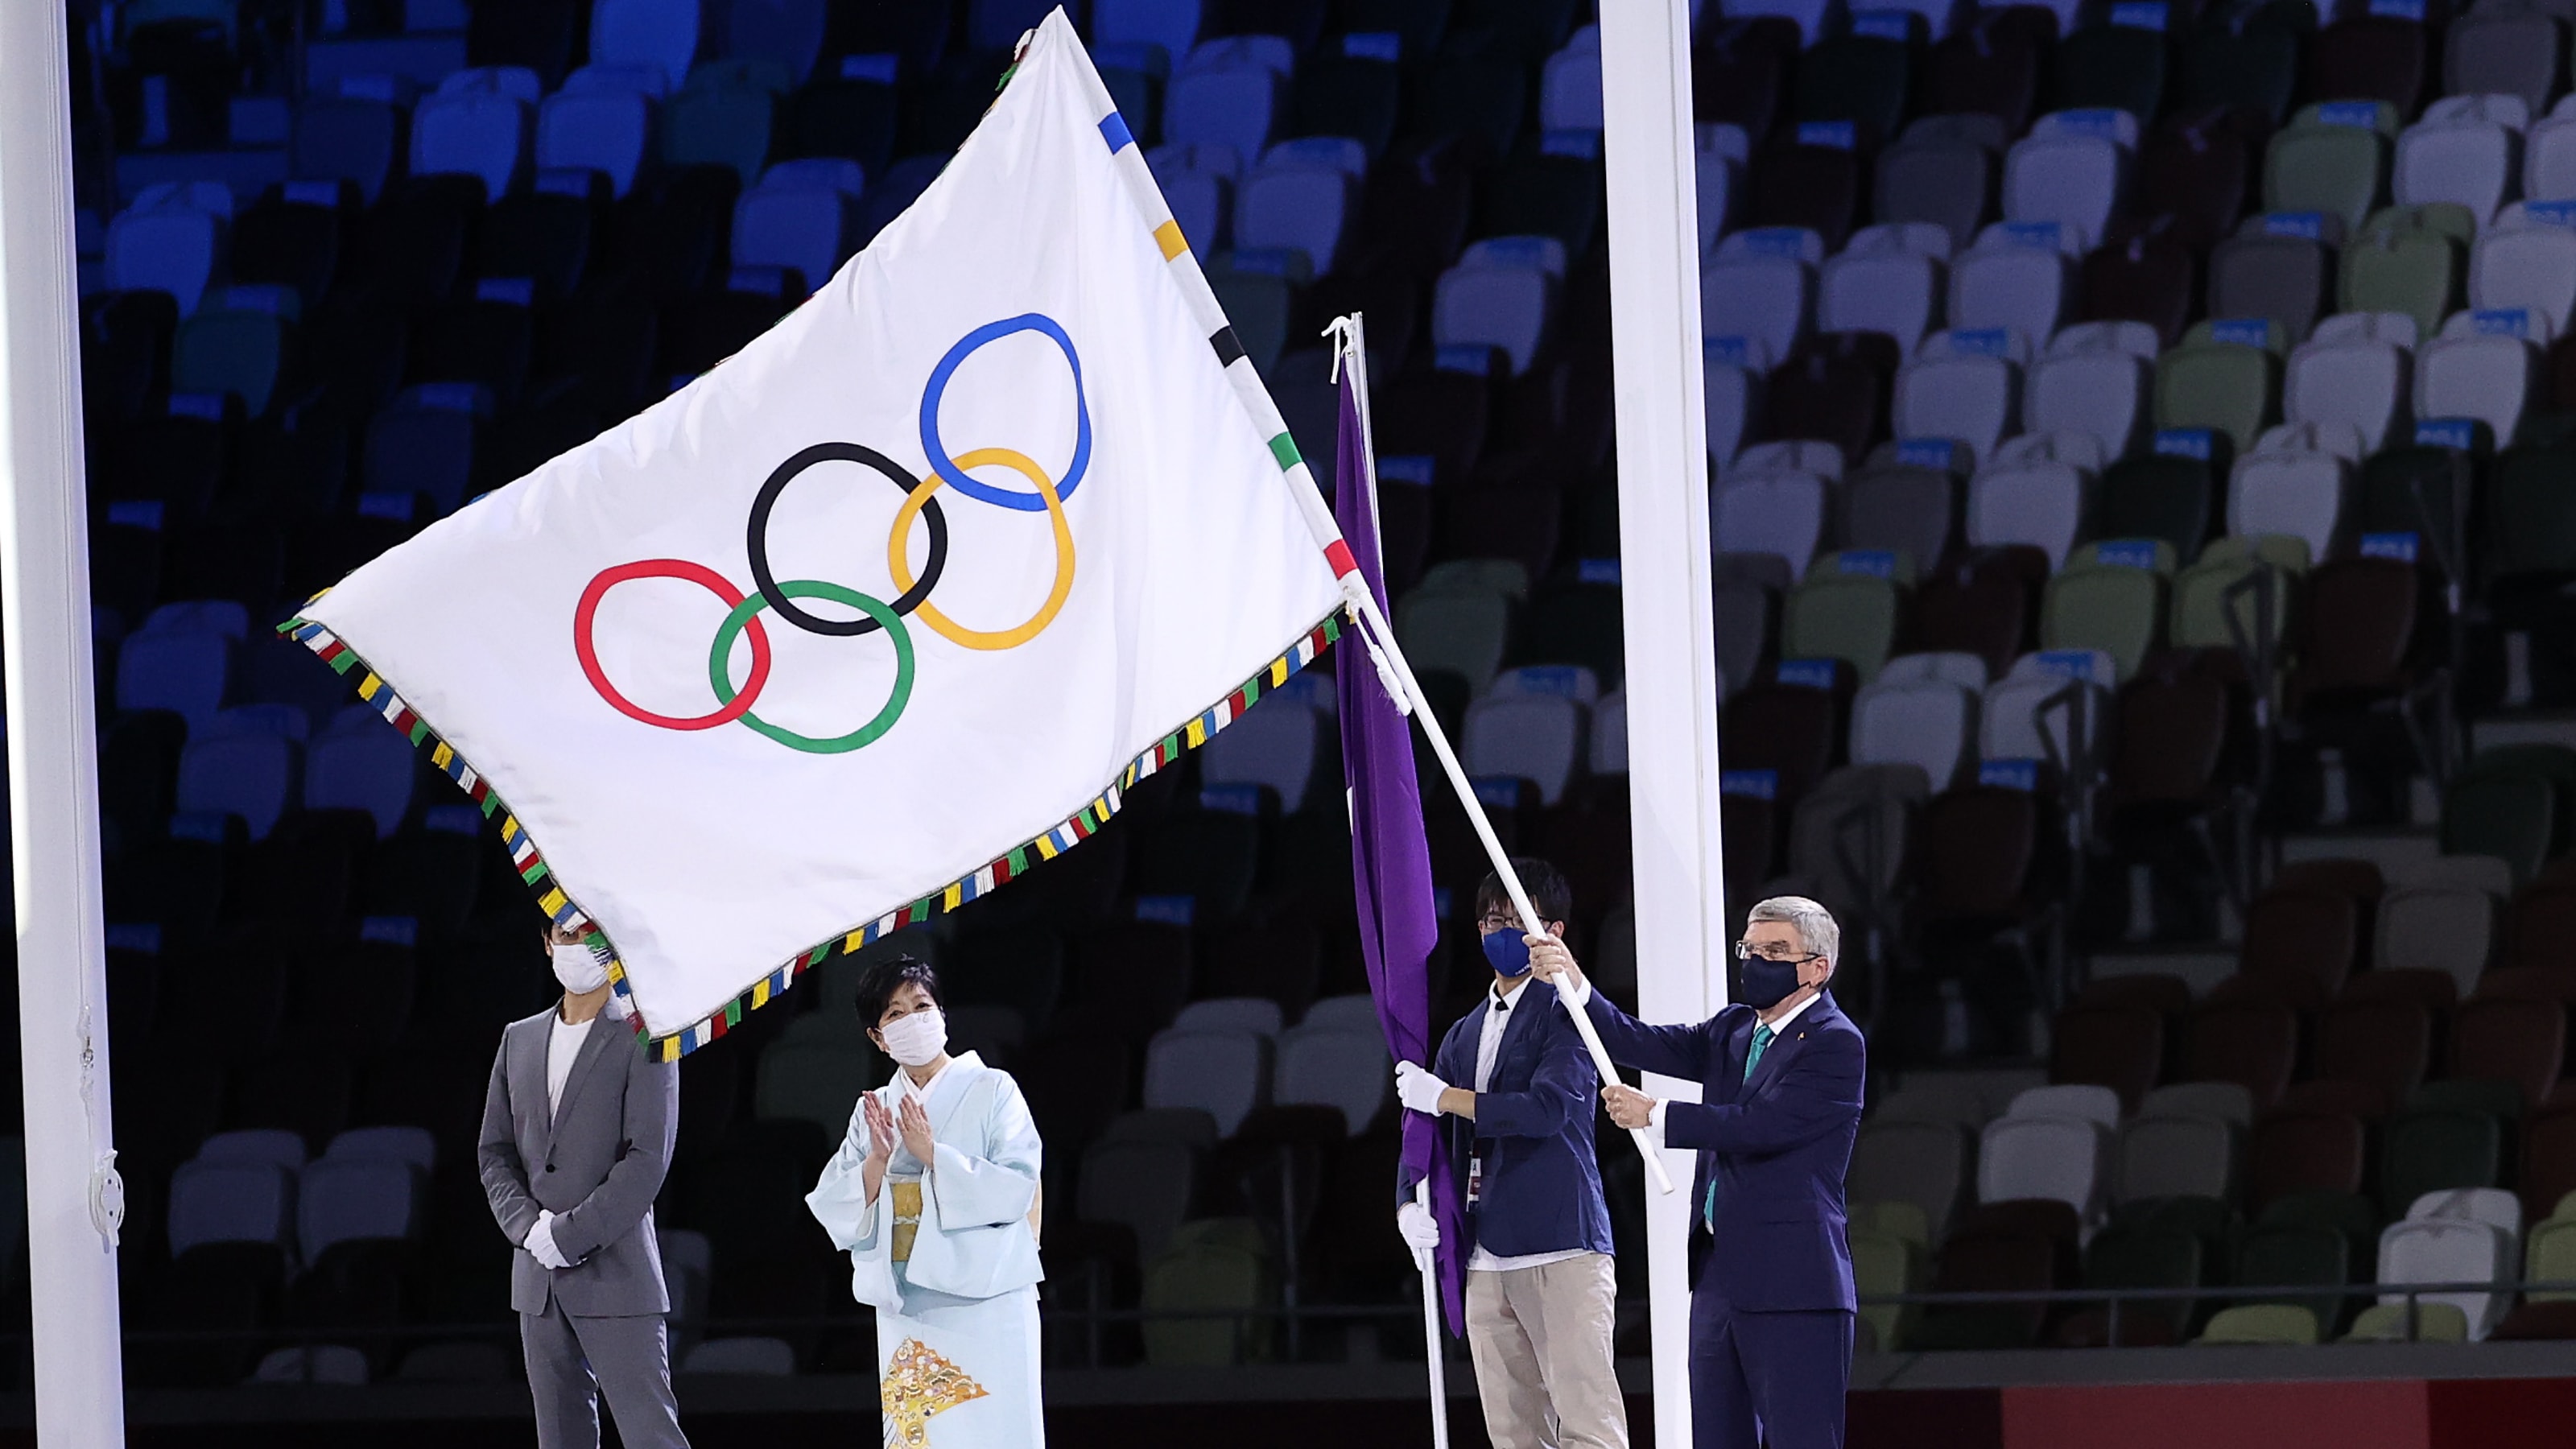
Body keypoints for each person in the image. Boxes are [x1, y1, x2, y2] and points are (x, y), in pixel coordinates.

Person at [1526, 894, 1864, 1449]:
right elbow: (1642, 1042)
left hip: (1795, 1282)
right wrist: (1575, 983)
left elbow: (1764, 1126)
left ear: (1817, 968)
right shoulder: (1733, 1029)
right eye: (1750, 950)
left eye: (1775, 951)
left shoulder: (1835, 1043)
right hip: (1717, 1278)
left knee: (1801, 1438)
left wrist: (1656, 1114)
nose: (1757, 963)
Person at [1391, 858, 1628, 1449]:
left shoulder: (1567, 1015)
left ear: (1554, 932)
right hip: (1487, 1251)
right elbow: (1425, 1124)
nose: (1498, 930)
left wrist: (1447, 1096)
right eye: (1489, 919)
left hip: (1562, 1242)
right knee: (1514, 1434)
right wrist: (1405, 1201)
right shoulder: (1463, 1033)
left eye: (1514, 920)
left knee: (1588, 1426)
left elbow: (1546, 1110)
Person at [806, 956, 1046, 1447]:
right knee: (924, 1435)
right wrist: (877, 1160)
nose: (912, 1019)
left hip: (990, 1293)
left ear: (941, 1015)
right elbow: (835, 1204)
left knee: (997, 1430)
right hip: (907, 1301)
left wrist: (933, 1155)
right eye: (895, 1014)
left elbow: (1019, 1184)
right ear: (877, 1037)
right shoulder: (874, 1108)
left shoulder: (993, 1088)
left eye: (921, 1005)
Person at [479, 923, 687, 1449]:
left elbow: (646, 1161)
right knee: (560, 1439)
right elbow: (495, 1152)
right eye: (565, 934)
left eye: (589, 934)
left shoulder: (649, 1036)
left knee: (650, 1435)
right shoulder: (518, 1038)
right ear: (547, 943)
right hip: (536, 1281)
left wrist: (569, 1235)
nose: (577, 947)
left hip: (615, 1270)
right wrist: (530, 1231)